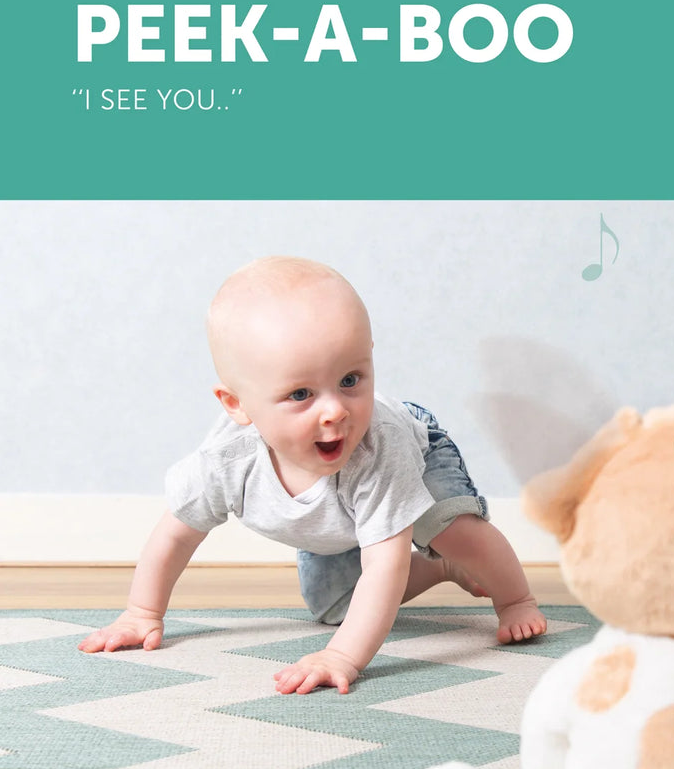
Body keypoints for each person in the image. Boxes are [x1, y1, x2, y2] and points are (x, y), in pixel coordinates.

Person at [78, 256, 547, 693]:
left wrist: (343, 655)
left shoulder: (377, 447)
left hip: (418, 455)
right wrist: (141, 613)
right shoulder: (228, 461)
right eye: (301, 393)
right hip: (332, 520)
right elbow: (174, 537)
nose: (335, 411)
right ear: (237, 404)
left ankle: (513, 596)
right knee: (331, 605)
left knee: (450, 528)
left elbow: (383, 565)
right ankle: (441, 566)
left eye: (350, 380)